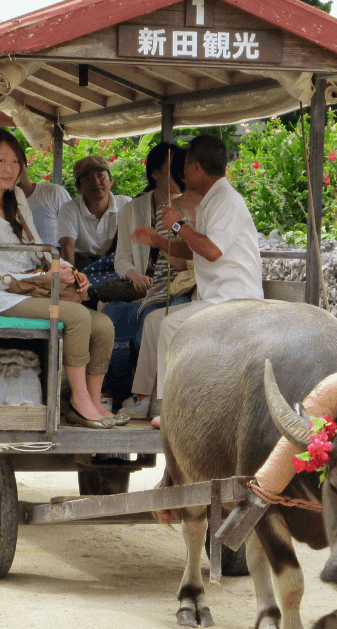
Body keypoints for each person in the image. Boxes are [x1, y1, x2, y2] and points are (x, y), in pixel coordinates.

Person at [0, 128, 122, 429]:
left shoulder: (17, 197)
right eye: (1, 161)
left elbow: (37, 248)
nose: (11, 169)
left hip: (29, 289)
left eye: (15, 161)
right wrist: (43, 277)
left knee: (104, 325)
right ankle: (78, 400)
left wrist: (67, 271)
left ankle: (94, 400)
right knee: (75, 316)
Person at [120, 135, 263, 422]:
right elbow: (195, 248)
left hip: (235, 300)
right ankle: (144, 399)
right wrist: (159, 241)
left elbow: (211, 250)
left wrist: (177, 224)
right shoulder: (213, 200)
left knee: (171, 324)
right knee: (153, 321)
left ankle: (171, 409)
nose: (181, 173)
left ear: (196, 169)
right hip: (218, 298)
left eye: (184, 166)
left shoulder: (226, 200)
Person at [102, 143, 194, 404]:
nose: (180, 175)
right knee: (110, 317)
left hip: (177, 290)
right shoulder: (133, 209)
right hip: (140, 289)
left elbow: (187, 262)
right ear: (155, 174)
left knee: (150, 323)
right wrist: (135, 275)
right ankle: (117, 394)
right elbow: (121, 257)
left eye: (183, 169)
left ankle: (145, 397)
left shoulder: (190, 208)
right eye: (172, 169)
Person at [57, 154, 131, 283]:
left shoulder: (125, 204)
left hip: (115, 266)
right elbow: (67, 249)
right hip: (82, 267)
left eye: (100, 175)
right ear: (78, 187)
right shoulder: (69, 209)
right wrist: (73, 282)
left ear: (111, 180)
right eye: (87, 178)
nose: (96, 182)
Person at [17, 156, 71, 247]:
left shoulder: (54, 192)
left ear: (25, 166)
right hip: (23, 257)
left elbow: (72, 231)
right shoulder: (1, 203)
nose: (11, 171)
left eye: (16, 163)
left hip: (57, 256)